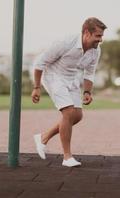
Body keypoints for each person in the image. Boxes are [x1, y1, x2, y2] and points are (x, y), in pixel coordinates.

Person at [31, 17, 107, 167]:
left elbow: (89, 73)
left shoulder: (95, 51)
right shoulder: (65, 42)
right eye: (98, 36)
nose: (100, 40)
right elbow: (40, 63)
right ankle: (67, 157)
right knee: (68, 112)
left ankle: (43, 137)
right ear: (86, 32)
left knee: (77, 116)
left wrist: (87, 92)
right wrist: (37, 87)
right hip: (53, 76)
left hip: (71, 78)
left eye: (102, 36)